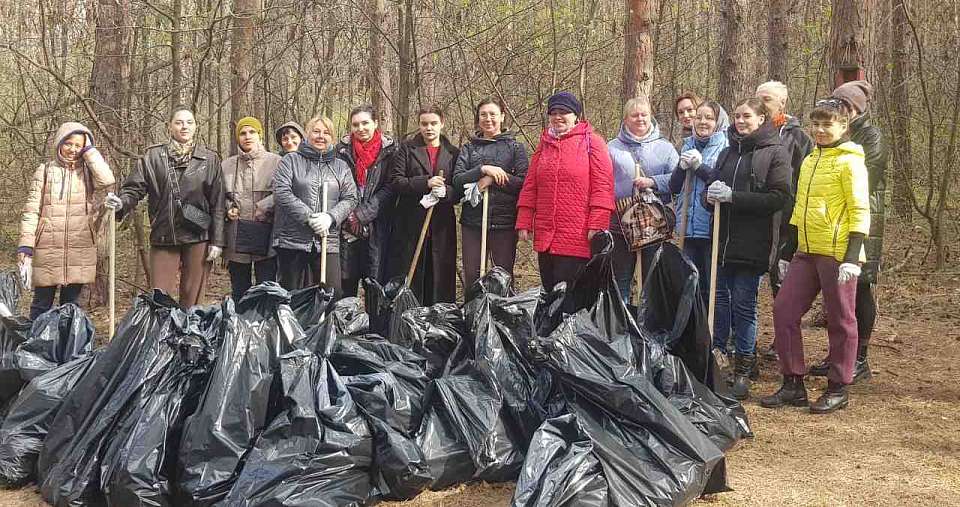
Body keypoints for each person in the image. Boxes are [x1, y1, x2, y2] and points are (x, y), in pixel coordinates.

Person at [760, 98, 870, 414]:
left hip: (838, 253)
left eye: (828, 124)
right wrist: (786, 250)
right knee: (784, 309)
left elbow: (860, 210)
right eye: (817, 124)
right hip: (806, 251)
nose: (821, 130)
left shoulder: (851, 162)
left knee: (841, 319)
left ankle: (839, 386)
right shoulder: (810, 159)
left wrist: (852, 256)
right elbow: (799, 208)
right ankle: (793, 382)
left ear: (843, 126)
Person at [704, 98, 792, 400]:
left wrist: (735, 198)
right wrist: (711, 196)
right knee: (721, 301)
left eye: (747, 116)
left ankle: (745, 364)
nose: (741, 121)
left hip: (754, 241)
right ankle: (721, 361)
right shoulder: (728, 152)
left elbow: (778, 198)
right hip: (723, 240)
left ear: (761, 119)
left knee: (744, 304)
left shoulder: (775, 153)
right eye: (738, 116)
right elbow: (712, 192)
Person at [807, 80, 887, 382]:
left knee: (861, 288)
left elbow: (863, 179)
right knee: (836, 295)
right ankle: (838, 354)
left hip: (863, 222)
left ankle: (860, 357)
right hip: (831, 226)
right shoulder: (832, 132)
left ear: (854, 108)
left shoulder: (871, 136)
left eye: (842, 104)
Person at [105, 105, 224, 308]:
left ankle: (189, 336)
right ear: (169, 127)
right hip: (163, 234)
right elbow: (134, 189)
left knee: (192, 299)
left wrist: (218, 241)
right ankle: (162, 338)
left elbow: (218, 202)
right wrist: (121, 203)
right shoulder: (152, 157)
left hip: (198, 236)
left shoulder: (209, 159)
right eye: (179, 122)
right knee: (160, 298)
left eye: (189, 122)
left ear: (196, 127)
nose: (184, 127)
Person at [516, 92, 614, 291]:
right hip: (546, 236)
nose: (558, 117)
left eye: (564, 112)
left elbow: (603, 187)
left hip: (578, 237)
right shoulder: (544, 145)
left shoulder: (593, 142)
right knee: (551, 293)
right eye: (553, 112)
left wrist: (597, 224)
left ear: (576, 116)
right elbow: (530, 185)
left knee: (572, 297)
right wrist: (524, 220)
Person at [18, 122, 115, 319]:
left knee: (70, 307)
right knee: (40, 304)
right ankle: (34, 347)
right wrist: (25, 247)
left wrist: (90, 151)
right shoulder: (45, 171)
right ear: (59, 143)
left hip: (80, 247)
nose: (72, 149)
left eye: (78, 145)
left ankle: (67, 347)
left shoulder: (88, 173)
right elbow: (31, 211)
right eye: (68, 143)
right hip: (47, 247)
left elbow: (107, 179)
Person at [755, 80, 814, 359]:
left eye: (767, 99)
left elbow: (807, 181)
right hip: (755, 219)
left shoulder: (799, 138)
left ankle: (785, 345)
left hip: (787, 222)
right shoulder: (751, 132)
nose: (762, 104)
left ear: (782, 103)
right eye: (758, 99)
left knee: (783, 284)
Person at [272, 115, 358, 293]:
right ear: (307, 135)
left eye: (326, 132)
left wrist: (330, 217)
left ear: (332, 137)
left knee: (331, 294)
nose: (321, 136)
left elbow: (351, 198)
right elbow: (282, 192)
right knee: (292, 296)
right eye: (316, 131)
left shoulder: (340, 167)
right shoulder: (290, 161)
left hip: (328, 241)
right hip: (293, 241)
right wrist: (309, 217)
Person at [452, 97, 529, 290]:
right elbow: (457, 181)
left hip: (504, 222)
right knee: (474, 275)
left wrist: (494, 179)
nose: (488, 119)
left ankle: (501, 318)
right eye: (483, 115)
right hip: (473, 222)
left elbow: (523, 183)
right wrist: (483, 169)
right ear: (478, 119)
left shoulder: (515, 148)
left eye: (493, 114)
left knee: (502, 277)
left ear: (502, 116)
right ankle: (474, 316)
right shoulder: (469, 149)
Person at [606, 96, 678, 303]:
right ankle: (622, 325)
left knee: (651, 278)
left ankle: (648, 326)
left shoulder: (665, 148)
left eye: (644, 114)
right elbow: (602, 181)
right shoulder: (612, 148)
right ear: (626, 119)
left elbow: (677, 180)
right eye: (634, 115)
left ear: (650, 117)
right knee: (621, 277)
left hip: (653, 225)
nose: (640, 119)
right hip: (619, 224)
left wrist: (653, 182)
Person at [385, 105, 459, 305]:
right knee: (413, 272)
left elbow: (458, 189)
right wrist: (424, 182)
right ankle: (411, 319)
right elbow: (395, 181)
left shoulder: (452, 152)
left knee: (440, 275)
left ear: (442, 123)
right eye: (424, 124)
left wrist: (447, 192)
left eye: (433, 123)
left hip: (441, 225)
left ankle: (439, 320)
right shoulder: (407, 149)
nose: (429, 128)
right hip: (411, 222)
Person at [669, 99, 729, 302]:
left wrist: (699, 167)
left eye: (709, 118)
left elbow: (720, 180)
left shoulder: (725, 147)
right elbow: (674, 187)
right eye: (699, 117)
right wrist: (681, 167)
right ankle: (691, 330)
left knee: (711, 287)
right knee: (689, 285)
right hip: (687, 226)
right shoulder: (686, 145)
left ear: (718, 121)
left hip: (712, 227)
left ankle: (715, 332)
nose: (703, 122)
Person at [336, 105, 398, 296]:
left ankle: (376, 325)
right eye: (355, 124)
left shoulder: (390, 150)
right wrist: (350, 215)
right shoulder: (341, 151)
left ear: (375, 123)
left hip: (379, 222)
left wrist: (363, 214)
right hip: (347, 223)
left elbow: (392, 187)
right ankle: (347, 323)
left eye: (365, 123)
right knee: (346, 278)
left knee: (375, 280)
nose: (360, 128)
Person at [222, 116, 281, 302]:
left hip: (266, 234)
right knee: (239, 288)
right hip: (236, 236)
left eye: (252, 132)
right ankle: (239, 325)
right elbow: (217, 196)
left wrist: (264, 206)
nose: (247, 136)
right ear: (237, 138)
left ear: (260, 135)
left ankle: (266, 325)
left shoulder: (276, 162)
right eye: (242, 133)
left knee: (267, 287)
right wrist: (228, 208)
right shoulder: (226, 165)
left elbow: (284, 192)